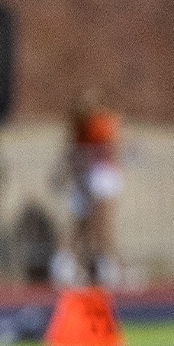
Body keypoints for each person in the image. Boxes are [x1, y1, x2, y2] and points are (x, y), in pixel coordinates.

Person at [55, 91, 124, 288]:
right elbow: (72, 154)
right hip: (84, 180)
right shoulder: (78, 128)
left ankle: (104, 265)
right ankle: (69, 265)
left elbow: (112, 150)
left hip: (99, 178)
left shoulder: (104, 124)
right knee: (80, 224)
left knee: (101, 223)